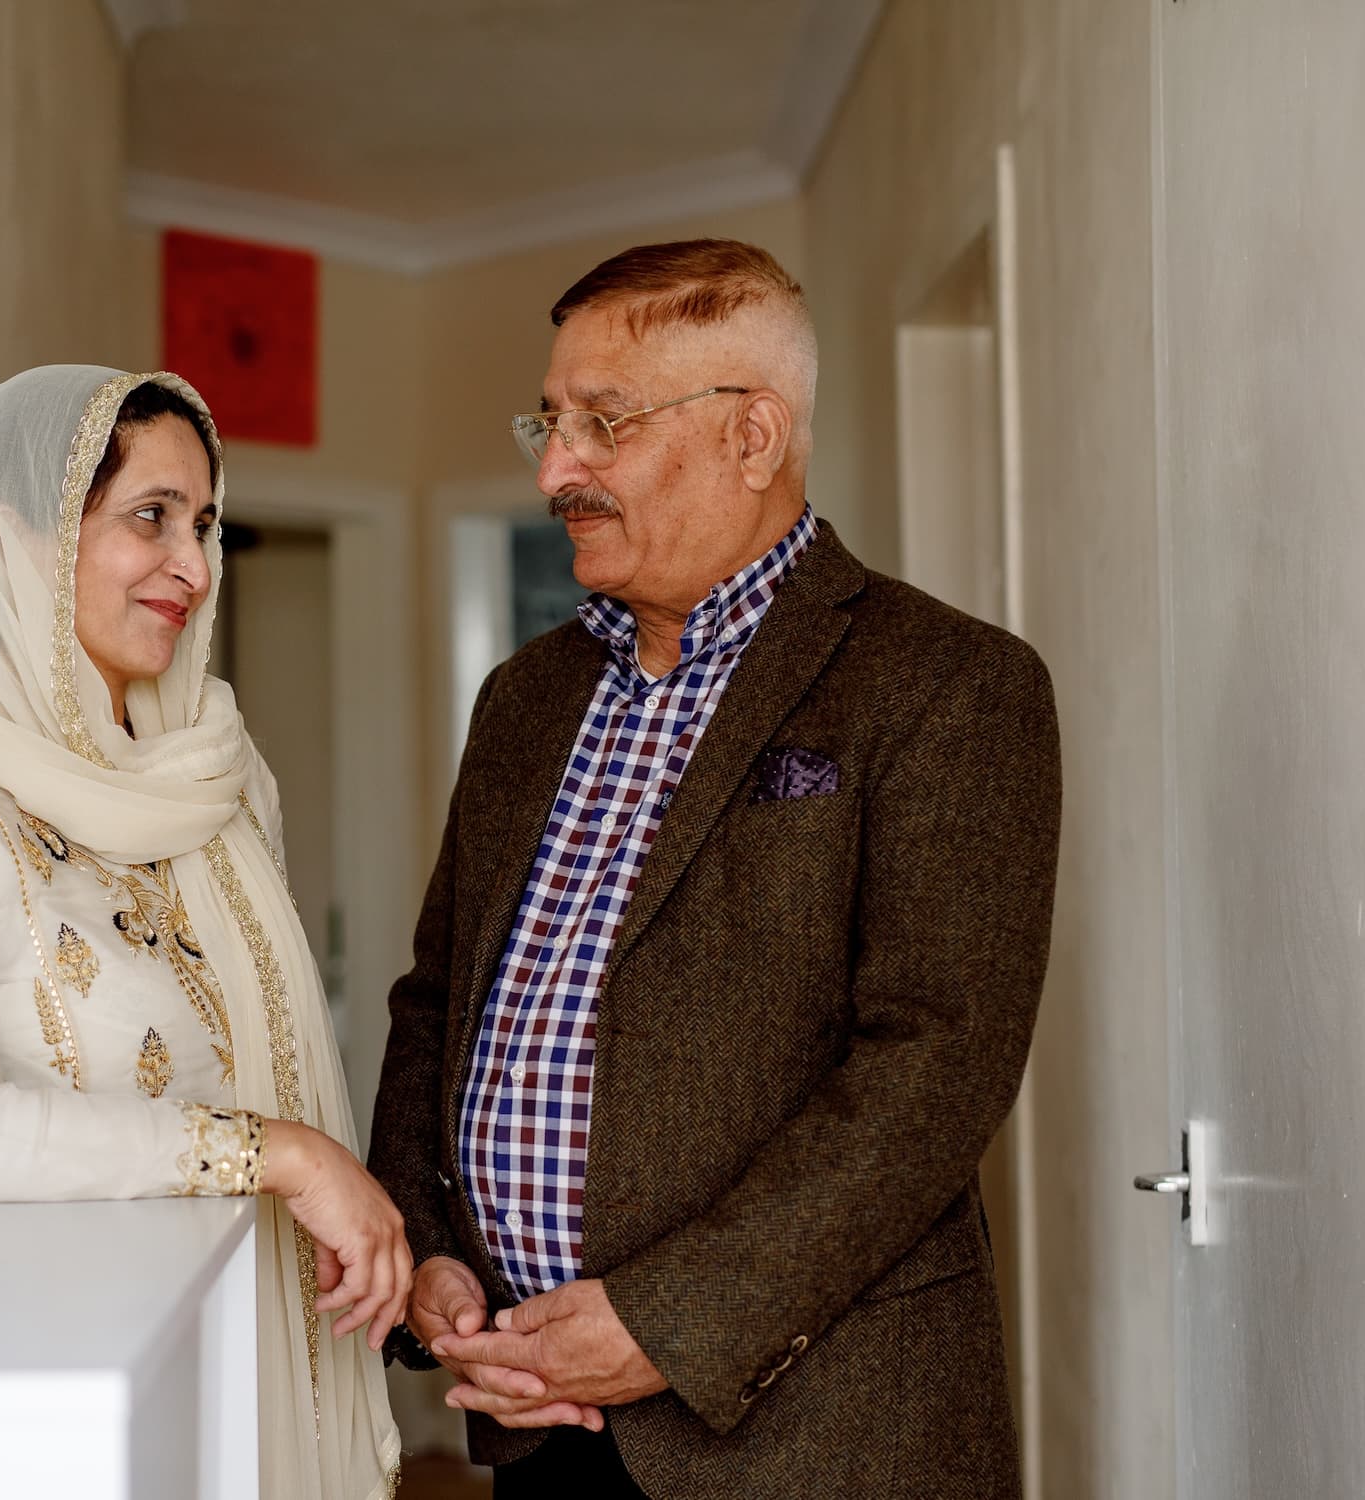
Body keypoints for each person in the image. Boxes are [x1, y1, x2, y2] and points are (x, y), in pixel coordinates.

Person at [368, 240, 1062, 1497]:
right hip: (536, 1420)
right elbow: (436, 1006)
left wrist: (662, 1324)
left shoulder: (948, 685)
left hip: (812, 1438)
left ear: (753, 436)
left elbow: (932, 1066)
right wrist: (431, 1252)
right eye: (549, 420)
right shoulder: (524, 699)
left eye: (602, 423)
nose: (552, 468)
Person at [0, 366, 403, 1499]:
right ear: (12, 539)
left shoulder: (219, 780)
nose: (192, 566)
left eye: (203, 525)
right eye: (151, 517)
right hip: (58, 1386)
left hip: (260, 1339)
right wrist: (276, 1152)